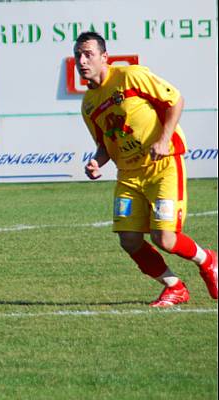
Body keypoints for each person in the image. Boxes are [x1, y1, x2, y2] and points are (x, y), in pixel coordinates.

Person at [74, 31, 217, 307]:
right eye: (78, 55)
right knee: (128, 240)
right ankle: (174, 286)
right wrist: (96, 162)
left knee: (164, 237)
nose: (82, 60)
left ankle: (208, 260)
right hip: (128, 175)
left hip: (162, 166)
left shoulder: (130, 76)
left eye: (89, 54)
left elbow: (175, 100)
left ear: (105, 58)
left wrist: (163, 140)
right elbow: (104, 144)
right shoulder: (88, 105)